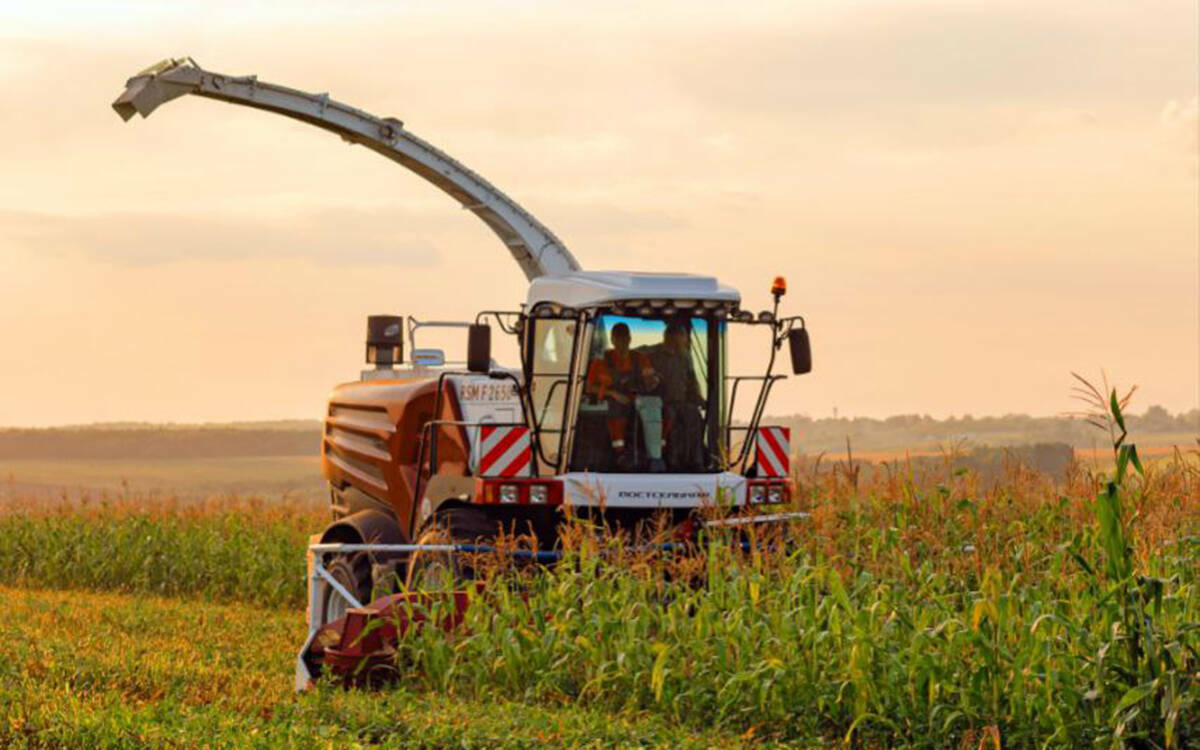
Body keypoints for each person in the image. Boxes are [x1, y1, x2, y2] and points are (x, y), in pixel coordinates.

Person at [585, 322, 660, 469]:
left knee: (656, 410)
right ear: (612, 340)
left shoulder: (640, 358)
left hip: (638, 403)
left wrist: (653, 380)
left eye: (624, 338)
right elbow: (588, 387)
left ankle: (655, 456)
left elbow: (650, 379)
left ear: (629, 339)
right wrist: (612, 393)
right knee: (616, 411)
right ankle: (618, 454)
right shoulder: (600, 361)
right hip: (609, 406)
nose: (621, 342)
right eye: (617, 338)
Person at [647, 320, 706, 471]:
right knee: (671, 417)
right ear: (669, 337)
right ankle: (671, 460)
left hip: (681, 402)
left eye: (684, 337)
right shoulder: (652, 354)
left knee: (694, 416)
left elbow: (692, 382)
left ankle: (697, 461)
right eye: (680, 337)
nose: (683, 340)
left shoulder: (685, 357)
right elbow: (636, 361)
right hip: (658, 404)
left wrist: (701, 400)